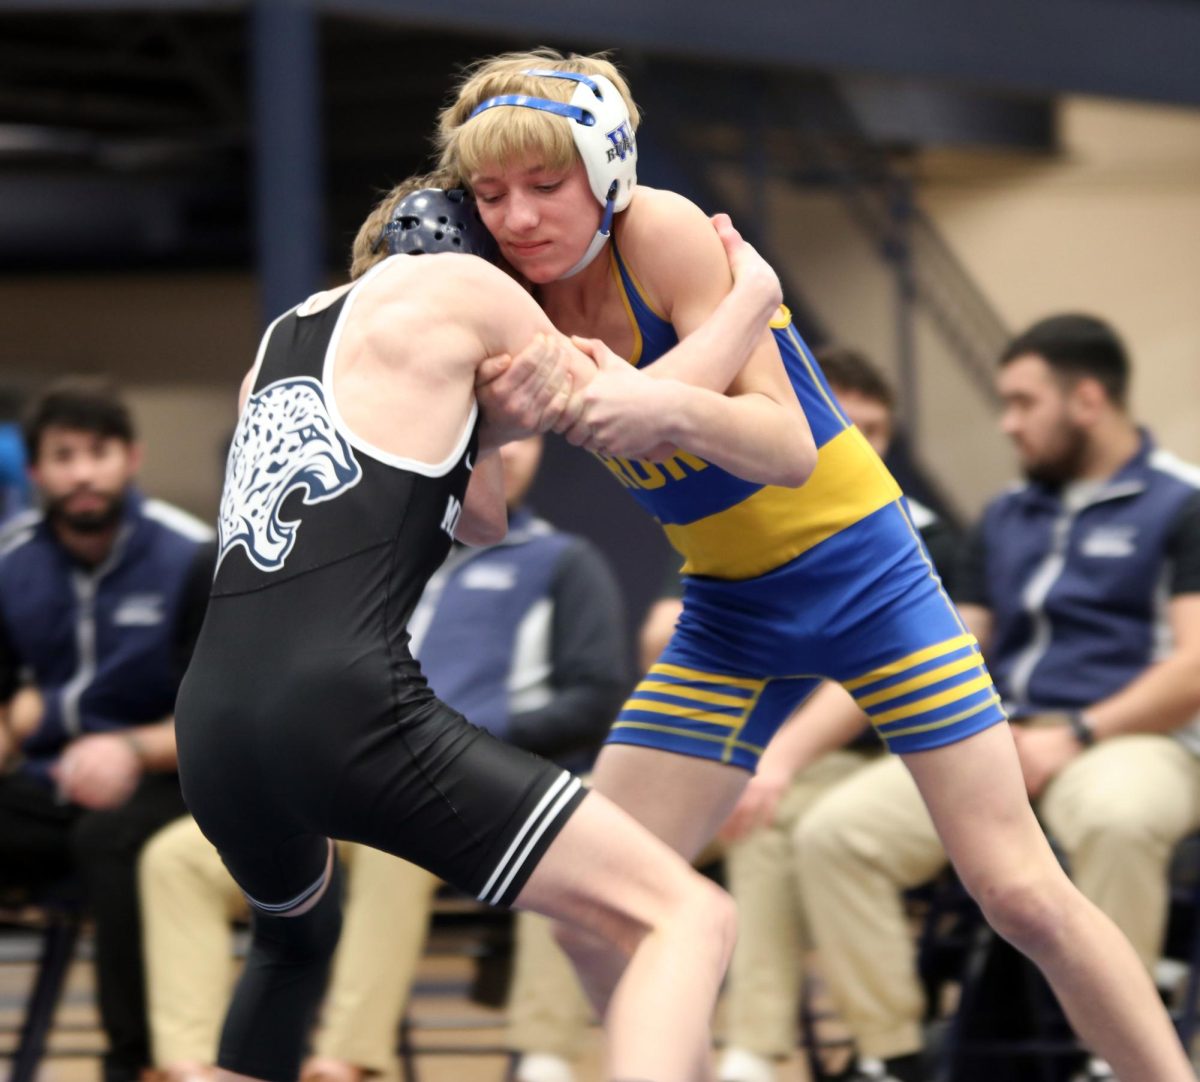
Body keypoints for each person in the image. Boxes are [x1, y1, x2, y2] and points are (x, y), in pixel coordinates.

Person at [436, 48, 1195, 1082]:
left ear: (606, 175)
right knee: (587, 904)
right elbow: (480, 518)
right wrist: (471, 421)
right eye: (491, 196)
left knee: (1017, 889)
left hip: (865, 578)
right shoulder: (505, 297)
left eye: (544, 185)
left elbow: (784, 444)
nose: (519, 218)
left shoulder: (655, 229)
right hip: (731, 612)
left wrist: (677, 371)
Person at [173, 176, 787, 1082]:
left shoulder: (276, 344)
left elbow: (478, 514)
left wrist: (489, 420)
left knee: (294, 949)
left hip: (213, 728)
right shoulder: (471, 288)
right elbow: (634, 420)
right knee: (687, 916)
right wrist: (750, 303)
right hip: (345, 706)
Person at [141, 432, 627, 1082]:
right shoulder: (370, 553)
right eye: (489, 439)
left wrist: (459, 737)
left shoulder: (563, 561)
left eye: (522, 440)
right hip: (330, 780)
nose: (507, 455)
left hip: (454, 786)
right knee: (173, 859)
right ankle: (192, 1066)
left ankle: (343, 1061)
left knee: (398, 845)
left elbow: (594, 698)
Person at [793, 314, 1200, 1082]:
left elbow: (1194, 669)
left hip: (1134, 741)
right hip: (1004, 738)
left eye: (1022, 403)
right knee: (835, 833)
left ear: (1087, 400)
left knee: (1118, 817)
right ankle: (895, 1059)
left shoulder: (1181, 503)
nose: (1008, 424)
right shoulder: (1005, 516)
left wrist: (1075, 734)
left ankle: (1116, 1061)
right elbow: (954, 643)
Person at [713, 347, 960, 1082]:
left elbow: (873, 676)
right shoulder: (749, 518)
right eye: (847, 425)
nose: (862, 445)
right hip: (803, 754)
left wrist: (780, 747)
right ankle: (754, 1046)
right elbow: (666, 627)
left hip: (901, 758)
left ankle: (890, 1054)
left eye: (878, 431)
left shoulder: (928, 535)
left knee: (810, 823)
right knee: (756, 824)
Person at [0, 378, 214, 1082]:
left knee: (111, 840)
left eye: (99, 452)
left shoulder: (194, 557)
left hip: (172, 777)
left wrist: (130, 748)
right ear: (36, 474)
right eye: (64, 456)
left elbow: (221, 716)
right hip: (50, 778)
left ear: (132, 458)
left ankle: (140, 1063)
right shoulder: (11, 566)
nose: (83, 472)